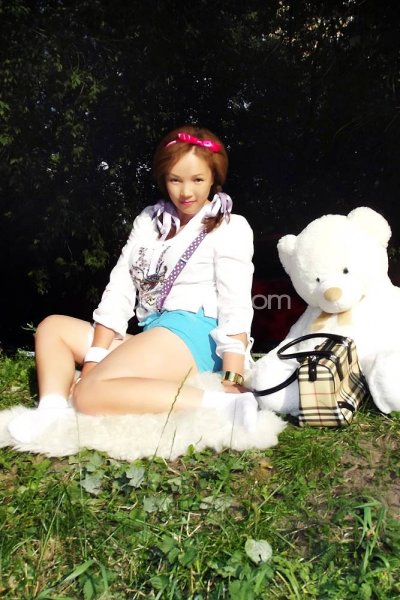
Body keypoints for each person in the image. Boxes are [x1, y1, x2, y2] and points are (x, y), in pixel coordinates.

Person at [8, 125, 258, 443]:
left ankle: (226, 406)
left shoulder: (231, 226)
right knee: (52, 328)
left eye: (197, 179)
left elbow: (236, 303)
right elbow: (120, 286)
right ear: (163, 178)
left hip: (195, 333)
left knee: (88, 392)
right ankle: (53, 413)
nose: (186, 192)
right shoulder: (149, 221)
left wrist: (232, 377)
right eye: (175, 179)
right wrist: (95, 357)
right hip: (156, 333)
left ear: (214, 178)